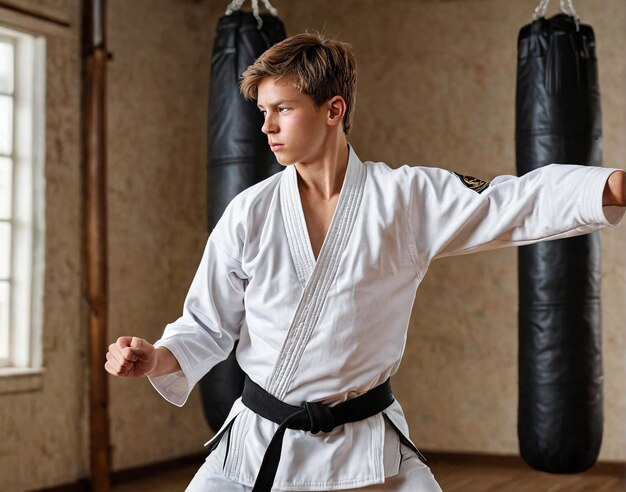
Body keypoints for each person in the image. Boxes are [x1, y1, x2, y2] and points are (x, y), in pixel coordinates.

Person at [105, 32, 626, 491]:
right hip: (261, 441)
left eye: (282, 109)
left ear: (333, 110)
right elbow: (205, 325)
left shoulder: (404, 199)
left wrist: (612, 186)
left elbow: (510, 201)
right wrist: (156, 357)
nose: (266, 126)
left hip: (367, 442)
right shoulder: (250, 212)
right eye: (262, 111)